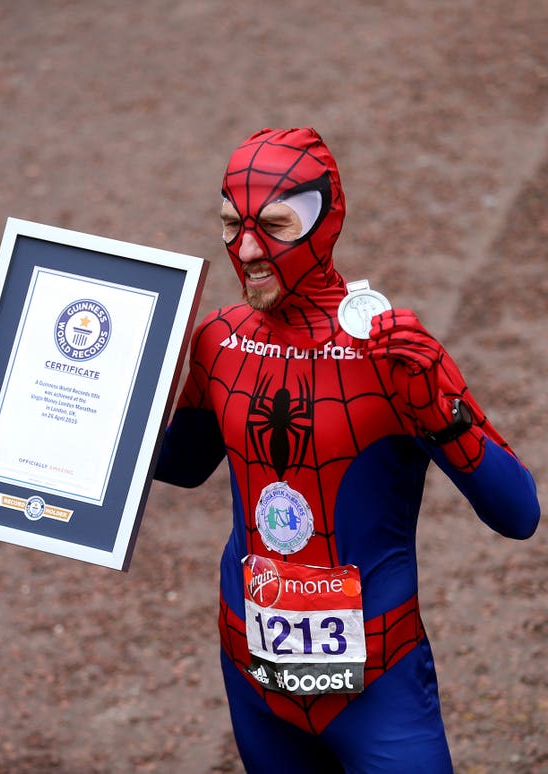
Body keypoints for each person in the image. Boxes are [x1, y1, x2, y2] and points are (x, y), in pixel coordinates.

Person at [154, 127, 540, 773]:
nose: (246, 249)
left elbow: (518, 514)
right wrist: (26, 386)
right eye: (230, 224)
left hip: (378, 677)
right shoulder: (219, 339)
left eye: (274, 225)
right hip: (250, 662)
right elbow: (181, 466)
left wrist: (440, 411)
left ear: (325, 223)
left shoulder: (390, 353)